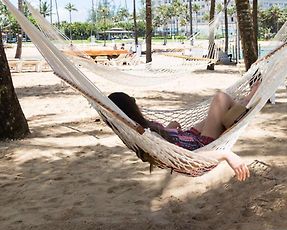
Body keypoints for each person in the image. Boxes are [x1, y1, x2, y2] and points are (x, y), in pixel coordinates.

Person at [108, 72, 261, 181]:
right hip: (199, 149)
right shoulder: (143, 134)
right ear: (130, 109)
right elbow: (187, 159)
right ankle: (249, 99)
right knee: (221, 99)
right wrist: (226, 154)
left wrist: (171, 128)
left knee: (222, 108)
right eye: (133, 101)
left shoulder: (142, 132)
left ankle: (245, 104)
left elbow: (164, 143)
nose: (137, 104)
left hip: (190, 137)